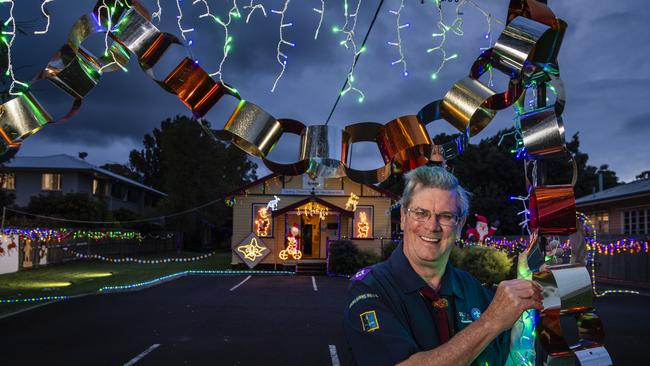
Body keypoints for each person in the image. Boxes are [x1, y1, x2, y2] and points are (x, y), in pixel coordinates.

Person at [343, 165, 543, 365]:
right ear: (403, 217)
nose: (432, 226)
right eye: (421, 213)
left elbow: (519, 348)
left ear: (460, 224)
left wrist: (535, 285)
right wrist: (489, 322)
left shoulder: (470, 287)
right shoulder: (370, 289)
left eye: (446, 216)